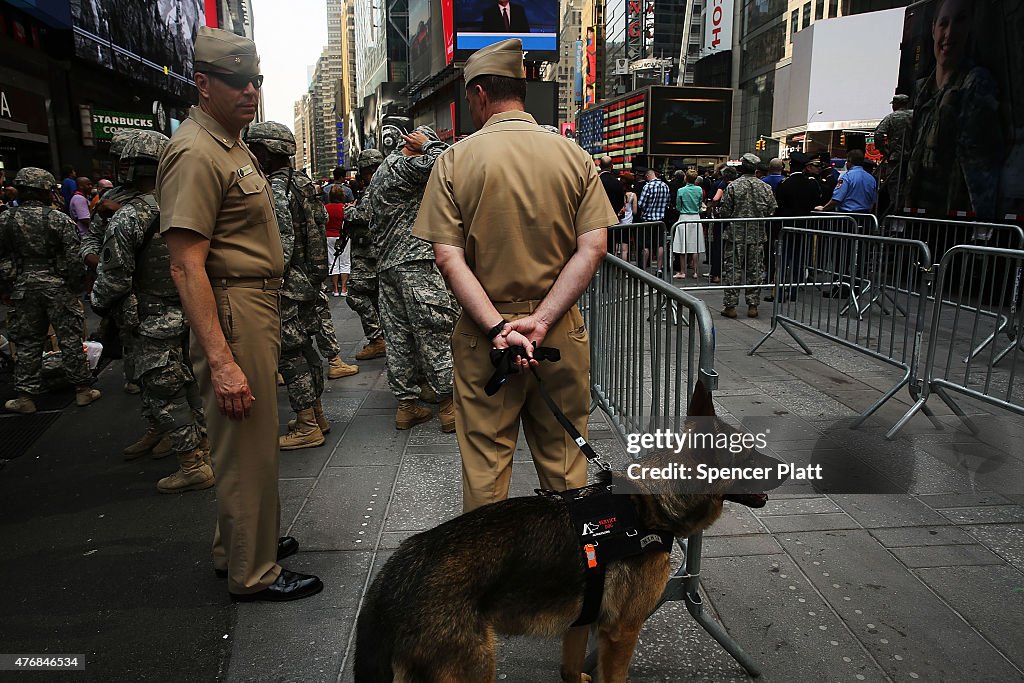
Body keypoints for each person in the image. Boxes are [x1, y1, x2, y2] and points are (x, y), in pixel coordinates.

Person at [412, 38, 617, 513]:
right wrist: (542, 321)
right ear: (520, 91)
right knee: (568, 465)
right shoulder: (573, 156)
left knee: (485, 471)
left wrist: (499, 329)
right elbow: (594, 247)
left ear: (480, 94)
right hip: (559, 333)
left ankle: (487, 580)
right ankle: (575, 573)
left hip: (486, 340)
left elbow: (448, 258)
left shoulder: (454, 161)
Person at [157, 27, 322, 602]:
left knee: (248, 438)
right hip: (233, 306)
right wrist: (222, 361)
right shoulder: (196, 151)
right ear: (203, 85)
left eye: (255, 81)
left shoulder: (227, 142)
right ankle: (253, 574)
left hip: (253, 302)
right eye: (236, 82)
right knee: (246, 444)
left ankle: (242, 548)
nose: (249, 91)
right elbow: (185, 265)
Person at [90, 130, 212, 492]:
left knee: (165, 392)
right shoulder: (193, 207)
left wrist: (101, 305)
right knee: (193, 387)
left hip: (152, 320)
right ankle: (204, 450)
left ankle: (191, 465)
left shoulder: (129, 217)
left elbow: (113, 278)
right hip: (195, 314)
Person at [244, 121, 337, 451]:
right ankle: (316, 414)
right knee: (306, 350)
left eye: (255, 149)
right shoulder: (303, 183)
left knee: (290, 353)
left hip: (286, 285)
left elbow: (280, 245)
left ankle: (308, 425)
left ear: (268, 152)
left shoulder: (276, 190)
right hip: (308, 282)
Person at [363, 126, 457, 432]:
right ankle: (449, 406)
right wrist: (430, 144)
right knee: (435, 331)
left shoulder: (381, 171)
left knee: (399, 337)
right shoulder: (407, 167)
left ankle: (407, 406)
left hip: (388, 265)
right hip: (416, 260)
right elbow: (449, 161)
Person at [0, 167, 102, 414]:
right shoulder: (58, 219)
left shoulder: (5, 219)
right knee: (69, 338)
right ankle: (82, 390)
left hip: (22, 287)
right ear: (46, 191)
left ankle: (25, 397)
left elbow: (2, 257)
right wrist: (74, 286)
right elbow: (74, 258)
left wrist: (8, 285)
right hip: (58, 286)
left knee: (27, 342)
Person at [903, 0, 1003, 220]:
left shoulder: (977, 84)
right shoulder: (922, 91)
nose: (949, 33)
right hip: (921, 217)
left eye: (960, 21)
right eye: (944, 23)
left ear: (970, 28)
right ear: (933, 29)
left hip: (958, 217)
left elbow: (979, 170)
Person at [719, 153, 777, 319]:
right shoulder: (765, 187)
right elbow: (771, 209)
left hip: (736, 235)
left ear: (742, 167)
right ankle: (753, 305)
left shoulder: (733, 186)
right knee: (755, 270)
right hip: (757, 235)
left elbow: (725, 211)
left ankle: (730, 306)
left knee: (733, 270)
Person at [344, 149, 387, 361]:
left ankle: (378, 338)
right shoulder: (384, 184)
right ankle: (383, 337)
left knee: (355, 295)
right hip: (375, 253)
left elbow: (364, 215)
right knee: (377, 297)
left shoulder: (376, 187)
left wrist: (348, 211)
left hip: (369, 255)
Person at [772, 152, 824, 301]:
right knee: (798, 260)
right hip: (803, 226)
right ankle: (793, 291)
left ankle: (780, 293)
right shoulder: (811, 183)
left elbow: (779, 206)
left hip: (786, 227)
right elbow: (815, 202)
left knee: (783, 260)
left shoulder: (784, 184)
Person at [817, 149, 877, 213]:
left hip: (847, 216)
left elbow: (837, 199)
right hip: (865, 216)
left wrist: (824, 208)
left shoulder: (847, 177)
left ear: (849, 161)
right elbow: (873, 201)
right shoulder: (871, 178)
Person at [671, 169, 705, 279]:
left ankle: (682, 271)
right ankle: (695, 272)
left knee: (682, 246)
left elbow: (678, 206)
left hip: (684, 217)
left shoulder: (681, 190)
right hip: (695, 217)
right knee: (695, 246)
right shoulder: (699, 189)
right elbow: (700, 204)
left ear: (686, 177)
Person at [636, 168, 670, 274]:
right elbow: (668, 202)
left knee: (646, 245)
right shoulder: (665, 186)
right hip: (660, 221)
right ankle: (659, 268)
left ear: (647, 176)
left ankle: (644, 269)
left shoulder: (647, 186)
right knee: (660, 244)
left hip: (647, 220)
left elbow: (641, 204)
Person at [325, 185, 351, 296]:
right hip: (343, 236)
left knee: (332, 262)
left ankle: (335, 289)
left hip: (329, 236)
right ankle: (344, 288)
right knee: (345, 262)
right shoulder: (345, 208)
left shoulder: (325, 207)